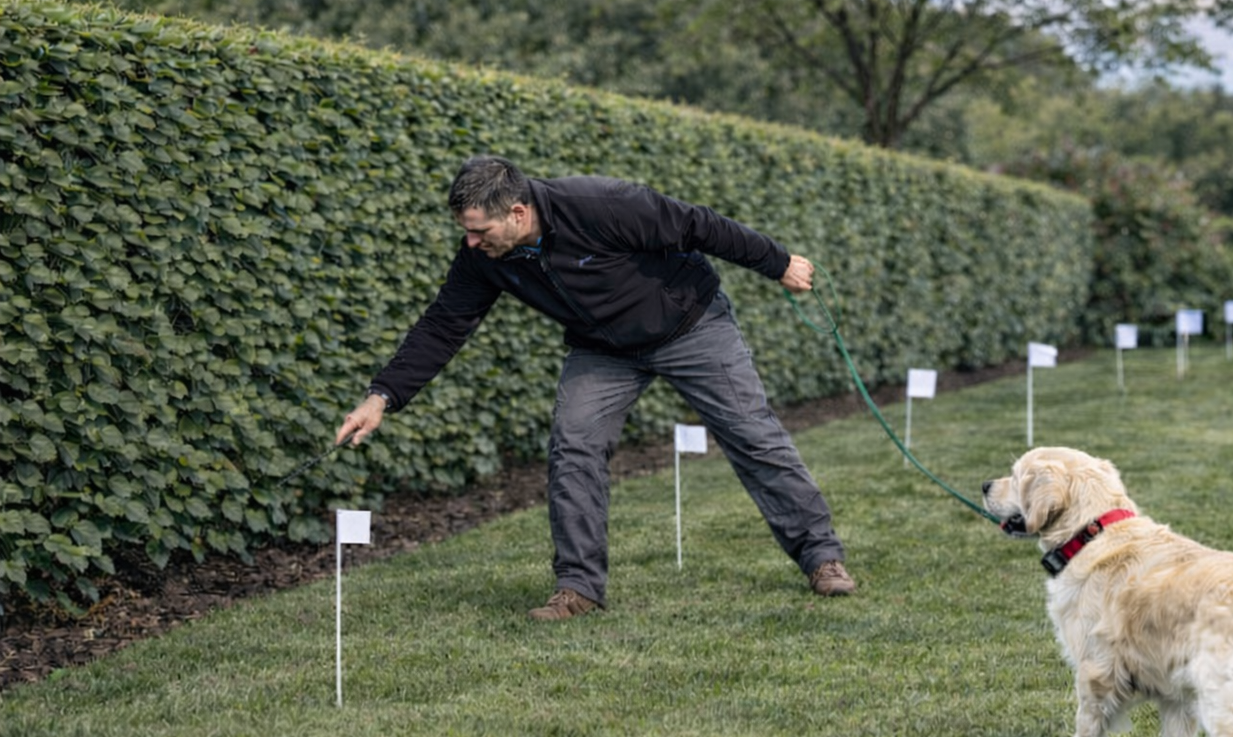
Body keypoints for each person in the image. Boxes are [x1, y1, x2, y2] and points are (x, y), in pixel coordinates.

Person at [335, 155, 856, 620]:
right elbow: (444, 324)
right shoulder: (483, 258)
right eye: (466, 232)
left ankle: (821, 558)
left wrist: (779, 262)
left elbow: (700, 226)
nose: (471, 242)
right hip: (602, 350)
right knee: (573, 445)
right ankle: (578, 588)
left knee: (751, 434)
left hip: (690, 325)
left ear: (517, 212)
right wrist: (382, 396)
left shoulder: (600, 204)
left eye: (479, 230)